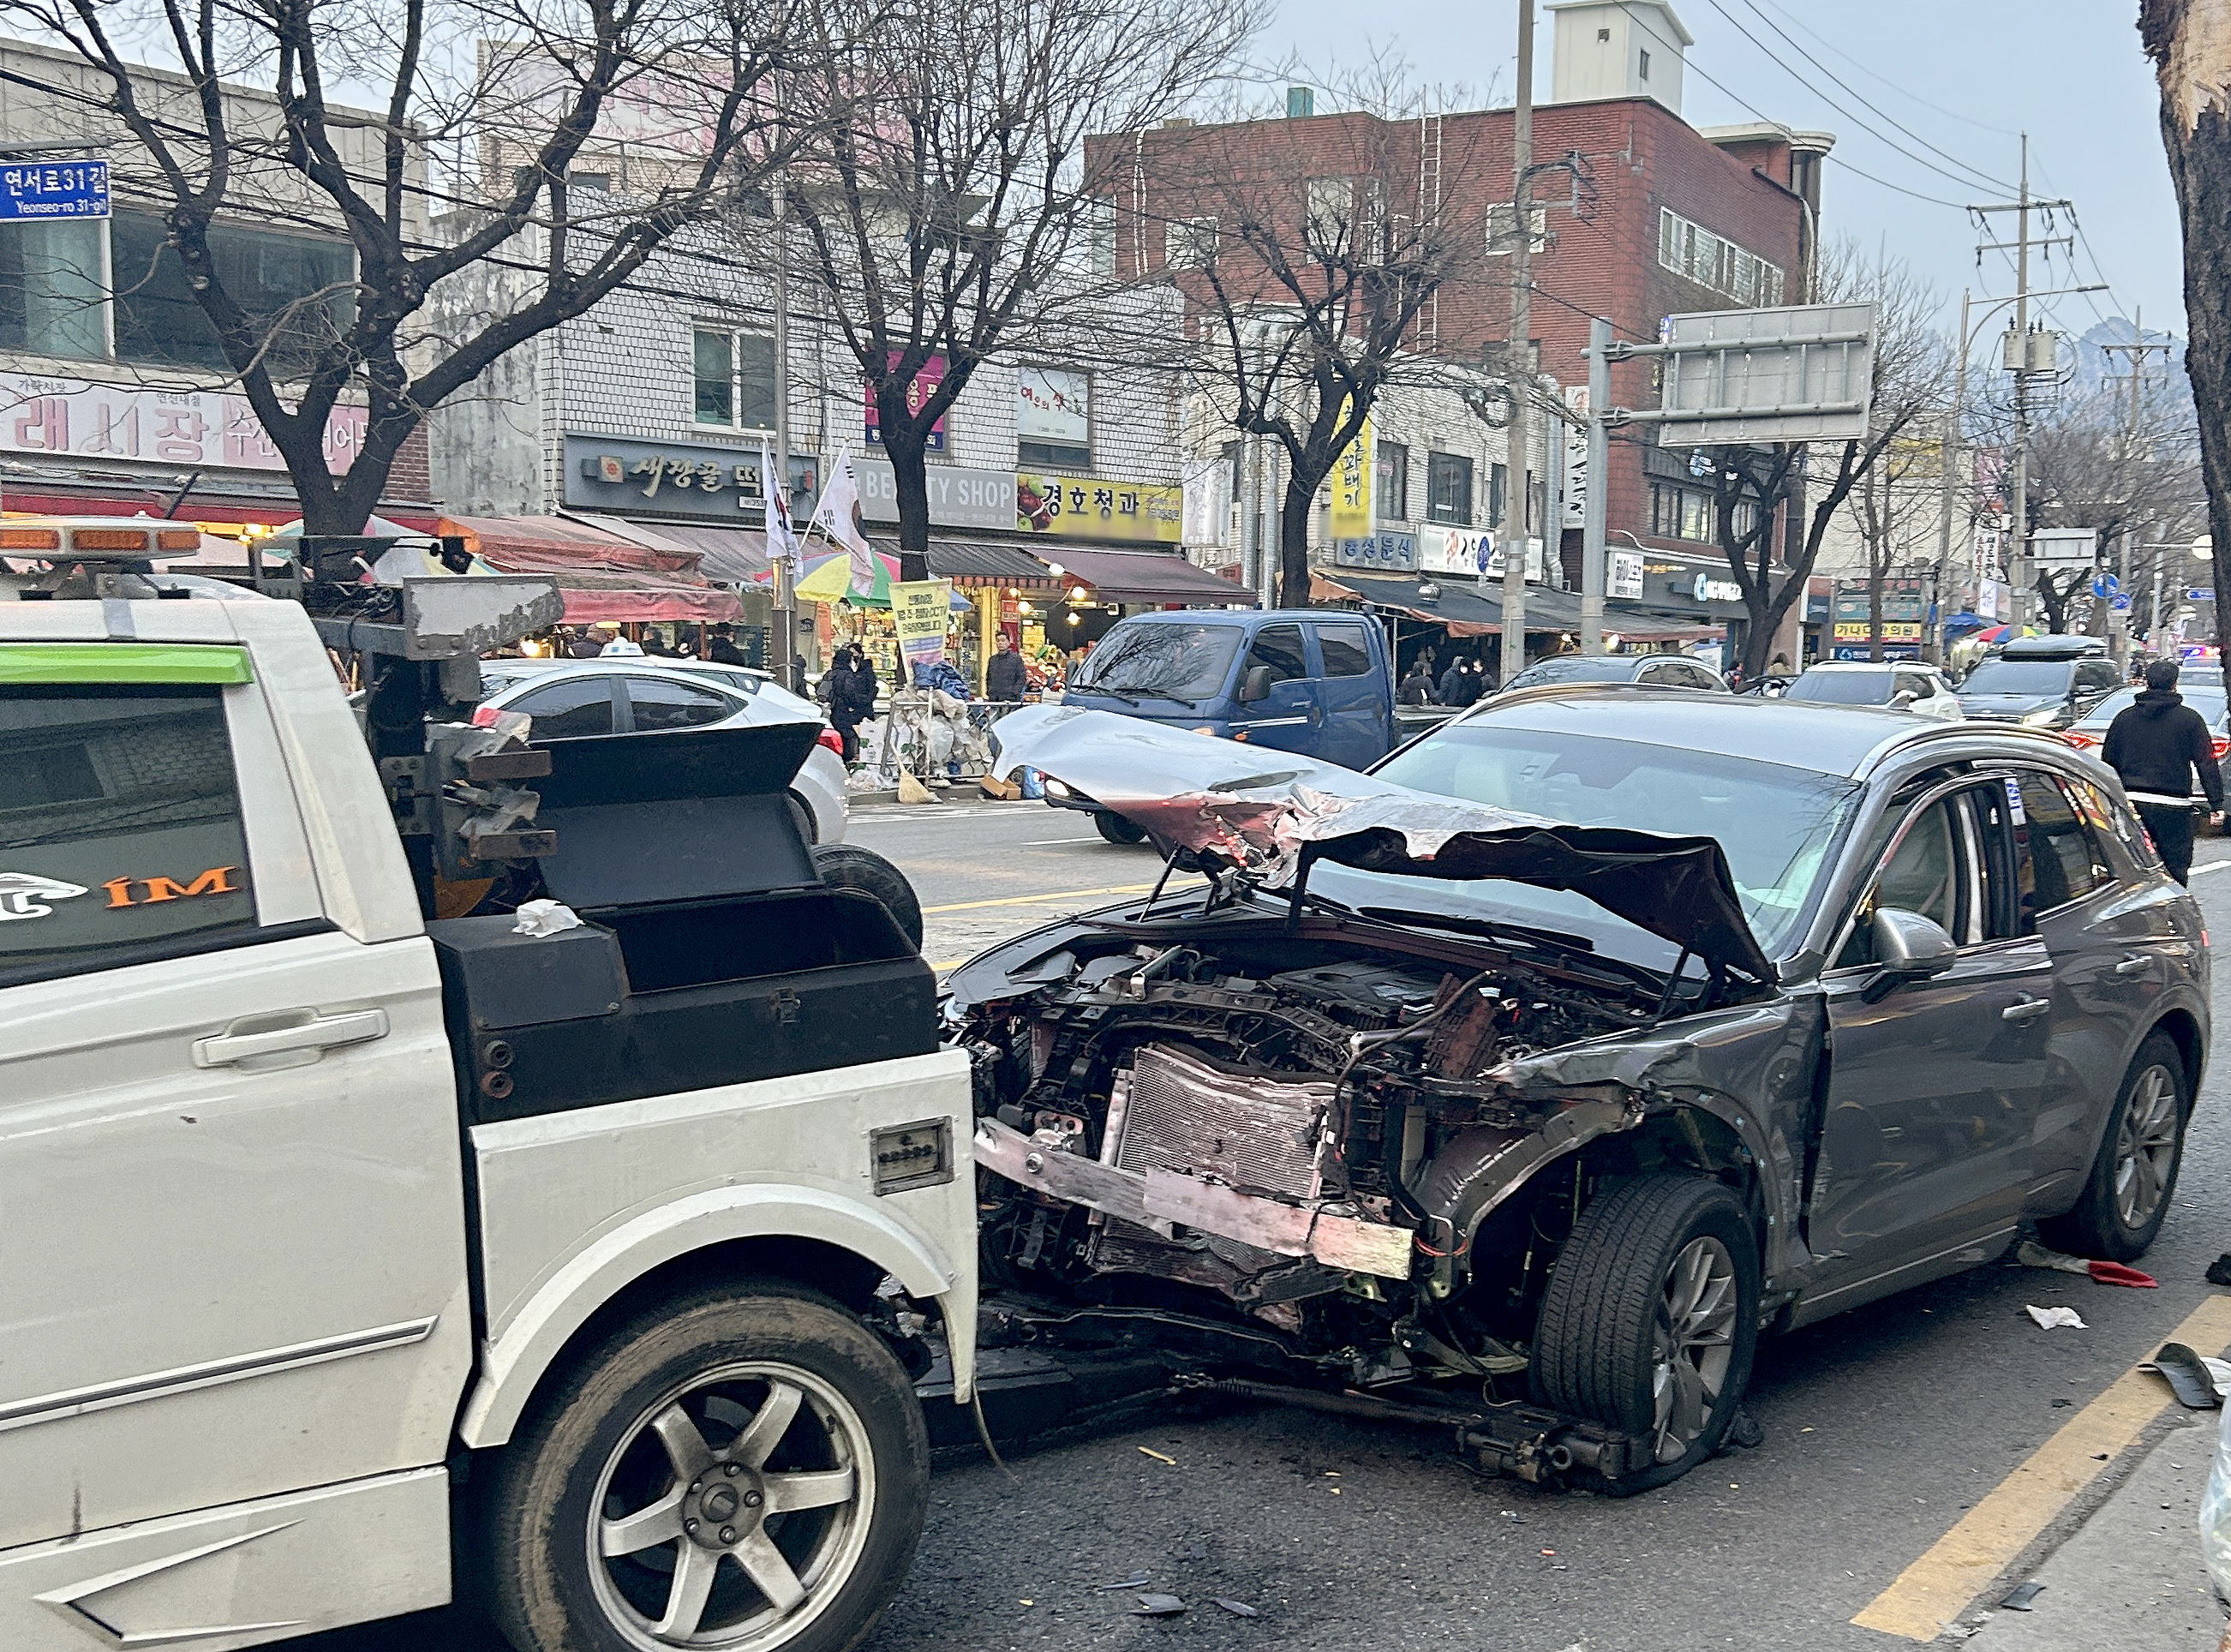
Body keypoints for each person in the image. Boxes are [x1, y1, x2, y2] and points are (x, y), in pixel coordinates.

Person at [2102, 659, 2226, 884]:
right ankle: (2173, 913)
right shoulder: (2190, 720)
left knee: (2131, 865)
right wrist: (2216, 804)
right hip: (2173, 805)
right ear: (2175, 684)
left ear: (2146, 683)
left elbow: (2108, 761)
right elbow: (2206, 763)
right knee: (2175, 868)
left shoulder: (2124, 719)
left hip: (2132, 804)